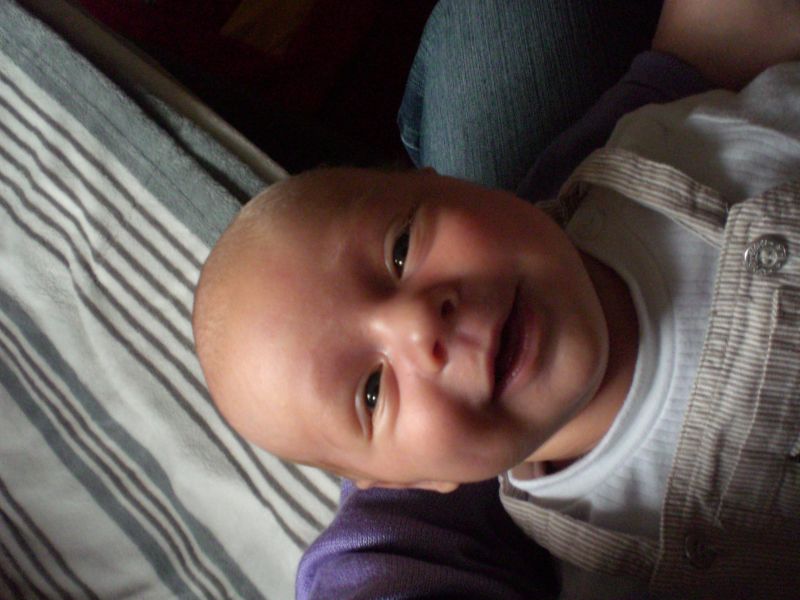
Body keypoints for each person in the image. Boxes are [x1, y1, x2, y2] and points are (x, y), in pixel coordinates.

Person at [192, 0, 800, 597]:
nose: (418, 324)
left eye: (401, 250)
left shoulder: (658, 143)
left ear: (450, 186)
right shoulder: (613, 569)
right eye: (371, 393)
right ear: (413, 483)